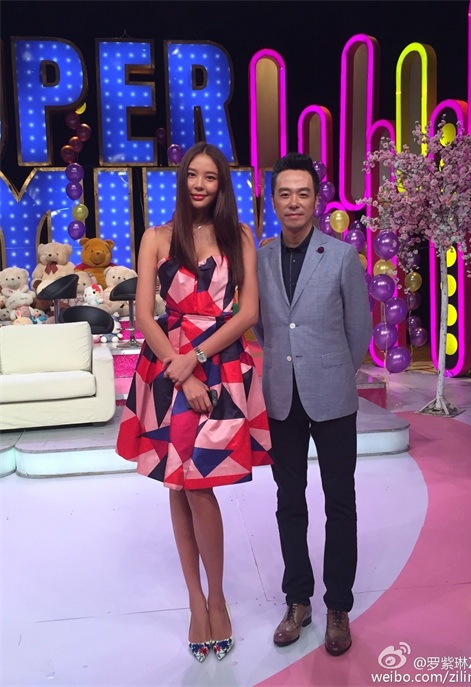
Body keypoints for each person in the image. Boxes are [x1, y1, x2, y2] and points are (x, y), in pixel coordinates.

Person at [117, 142, 272, 663]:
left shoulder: (240, 236)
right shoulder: (157, 237)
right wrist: (180, 372)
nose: (200, 184)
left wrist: (197, 358)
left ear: (221, 184)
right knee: (178, 485)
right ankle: (195, 602)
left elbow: (247, 312)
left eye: (210, 177)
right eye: (192, 175)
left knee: (200, 485)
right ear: (182, 180)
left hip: (220, 365)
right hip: (167, 370)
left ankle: (218, 599)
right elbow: (144, 314)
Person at [254, 152, 372, 656]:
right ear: (273, 200)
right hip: (282, 394)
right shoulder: (260, 257)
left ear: (317, 199)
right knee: (289, 502)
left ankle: (338, 606)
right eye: (285, 193)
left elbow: (359, 330)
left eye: (303, 193)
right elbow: (261, 325)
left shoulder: (341, 256)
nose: (294, 202)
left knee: (340, 502)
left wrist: (333, 368)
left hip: (332, 394)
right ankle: (297, 600)